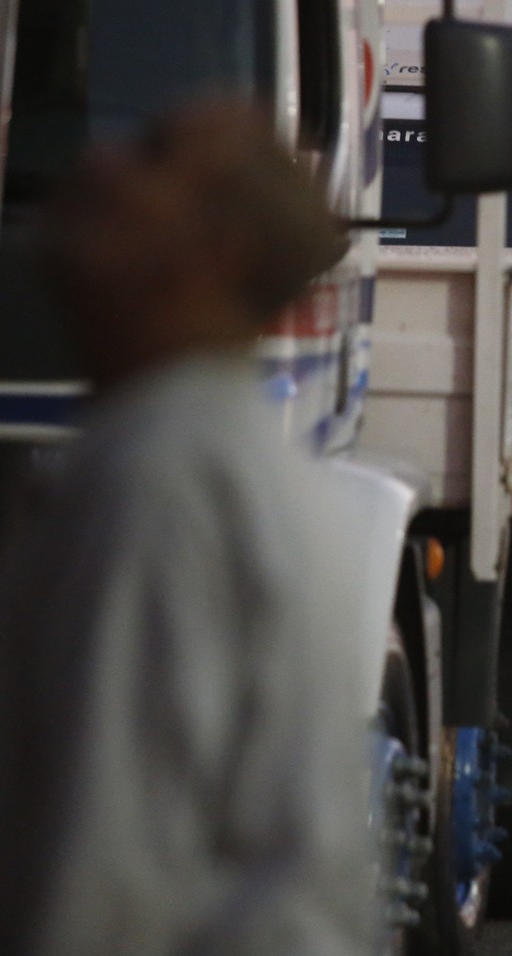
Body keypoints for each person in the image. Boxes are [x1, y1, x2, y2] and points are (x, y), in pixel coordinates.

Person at [0, 100, 375, 955]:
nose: (97, 161)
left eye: (151, 154)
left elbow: (103, 871)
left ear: (214, 255)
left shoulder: (158, 477)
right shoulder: (214, 454)